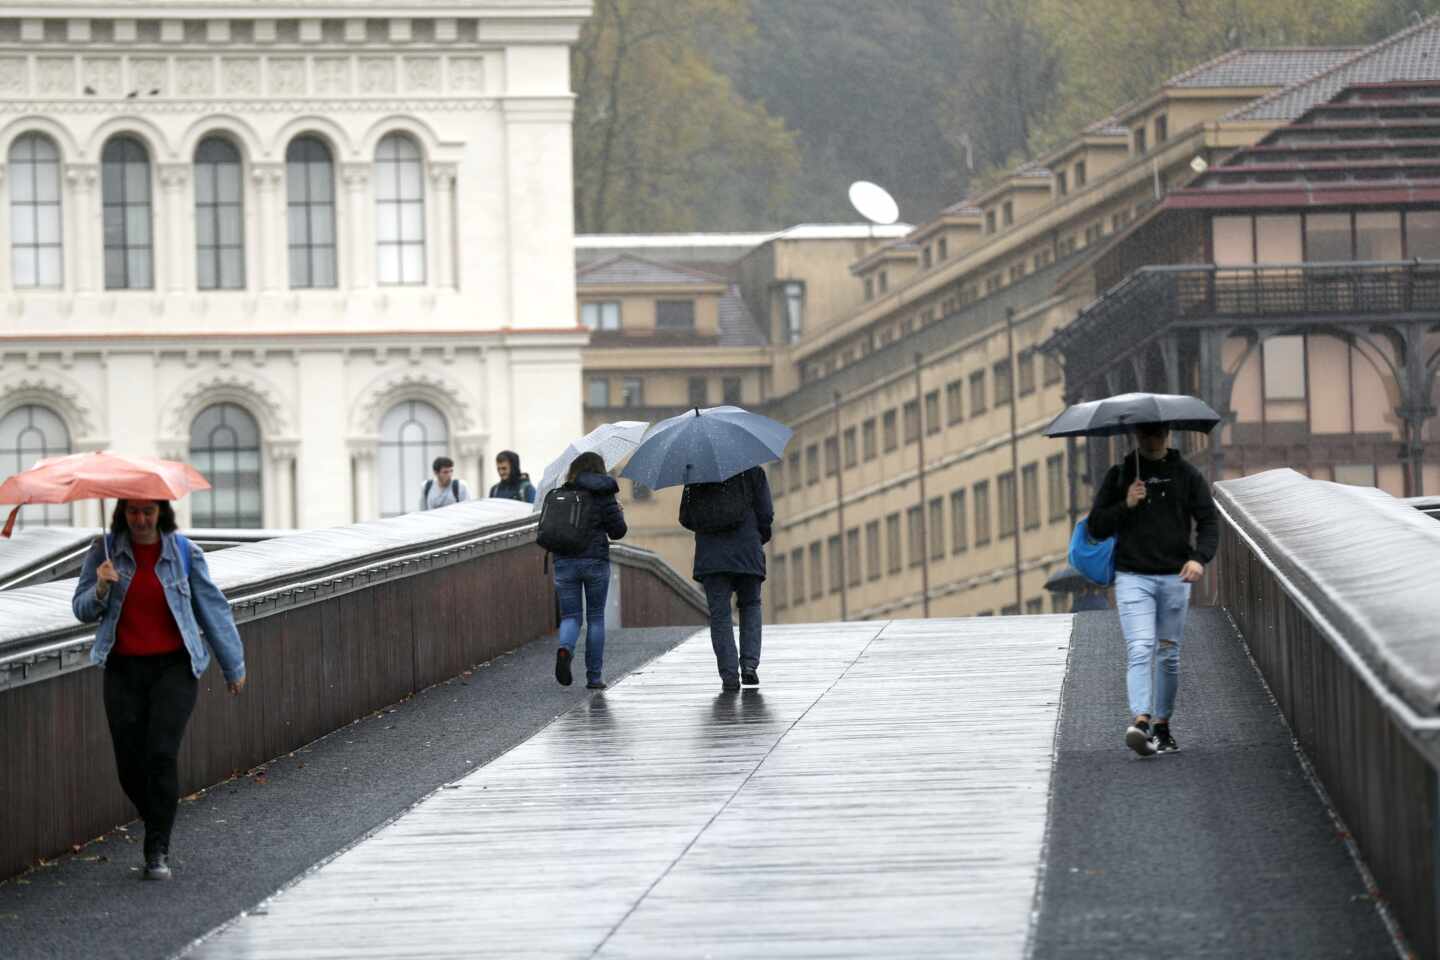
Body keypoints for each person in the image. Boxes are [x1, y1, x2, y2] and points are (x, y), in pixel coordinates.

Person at [72, 500, 246, 881]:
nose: (140, 519)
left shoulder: (184, 553)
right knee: (129, 766)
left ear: (161, 512)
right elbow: (81, 609)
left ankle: (157, 848)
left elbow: (212, 609)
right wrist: (101, 585)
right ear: (123, 513)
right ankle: (159, 820)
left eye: (148, 512)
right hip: (122, 670)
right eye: (133, 512)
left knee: (161, 754)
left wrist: (233, 665)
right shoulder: (103, 553)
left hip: (174, 668)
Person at [1087, 422, 1217, 758]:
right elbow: (1096, 526)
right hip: (1132, 576)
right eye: (1145, 433)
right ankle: (1141, 720)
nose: (1151, 438)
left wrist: (1199, 559)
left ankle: (1162, 726)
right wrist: (1126, 504)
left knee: (1169, 655)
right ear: (1136, 436)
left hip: (1175, 577)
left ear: (1167, 435)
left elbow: (1208, 522)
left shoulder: (1187, 475)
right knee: (1141, 647)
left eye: (1157, 433)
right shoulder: (1120, 476)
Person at [691, 465, 774, 692]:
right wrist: (758, 537)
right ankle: (749, 666)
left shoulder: (697, 475)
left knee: (720, 616)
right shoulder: (753, 472)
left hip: (712, 556)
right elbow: (766, 514)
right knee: (750, 605)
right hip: (747, 549)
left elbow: (686, 516)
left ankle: (729, 676)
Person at [550, 452, 626, 689]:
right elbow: (618, 532)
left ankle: (565, 648)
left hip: (564, 561)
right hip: (595, 561)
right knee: (595, 618)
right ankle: (594, 677)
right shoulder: (605, 494)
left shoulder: (563, 491)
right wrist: (618, 513)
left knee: (571, 616)